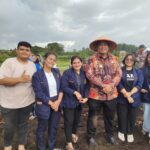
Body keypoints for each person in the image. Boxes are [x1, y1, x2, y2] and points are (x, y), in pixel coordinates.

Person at [85, 36, 122, 147]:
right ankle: (91, 137)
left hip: (111, 95)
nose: (103, 47)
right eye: (100, 45)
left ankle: (110, 135)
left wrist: (111, 85)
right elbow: (89, 74)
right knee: (93, 116)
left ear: (109, 47)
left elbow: (119, 74)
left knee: (110, 117)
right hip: (95, 95)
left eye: (105, 45)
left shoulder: (114, 59)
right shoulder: (91, 59)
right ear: (97, 47)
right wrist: (103, 85)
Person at [0, 41, 36, 150]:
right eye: (22, 49)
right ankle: (7, 145)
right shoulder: (9, 62)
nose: (24, 52)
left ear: (30, 52)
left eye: (27, 50)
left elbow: (33, 82)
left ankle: (21, 145)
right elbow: (1, 80)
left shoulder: (32, 65)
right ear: (17, 50)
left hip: (27, 102)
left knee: (23, 124)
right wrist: (20, 79)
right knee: (9, 127)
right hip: (9, 103)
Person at [32, 52, 63, 150]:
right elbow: (39, 93)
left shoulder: (56, 72)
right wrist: (51, 103)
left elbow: (61, 88)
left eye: (54, 60)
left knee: (53, 128)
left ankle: (51, 147)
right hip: (44, 104)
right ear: (44, 59)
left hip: (56, 103)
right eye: (50, 59)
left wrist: (57, 102)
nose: (52, 61)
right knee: (42, 128)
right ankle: (41, 148)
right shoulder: (37, 75)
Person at [62, 56, 89, 150]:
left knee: (76, 121)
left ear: (81, 63)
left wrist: (85, 97)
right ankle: (68, 143)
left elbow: (86, 86)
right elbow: (64, 87)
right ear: (71, 64)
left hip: (79, 102)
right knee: (68, 122)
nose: (76, 64)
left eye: (78, 62)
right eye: (74, 63)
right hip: (69, 102)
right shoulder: (67, 73)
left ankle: (73, 134)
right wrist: (75, 92)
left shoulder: (83, 73)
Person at [117, 54, 143, 143]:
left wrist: (130, 94)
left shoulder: (138, 71)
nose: (129, 61)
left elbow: (139, 84)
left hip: (134, 97)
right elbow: (118, 83)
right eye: (127, 59)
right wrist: (126, 95)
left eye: (131, 59)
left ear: (134, 61)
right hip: (122, 97)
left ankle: (130, 132)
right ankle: (121, 131)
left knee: (132, 116)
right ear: (124, 60)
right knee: (122, 115)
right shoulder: (120, 71)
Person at [141, 52, 150, 143]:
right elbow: (138, 81)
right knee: (146, 113)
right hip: (146, 95)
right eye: (149, 57)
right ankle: (146, 128)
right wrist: (141, 88)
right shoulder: (142, 69)